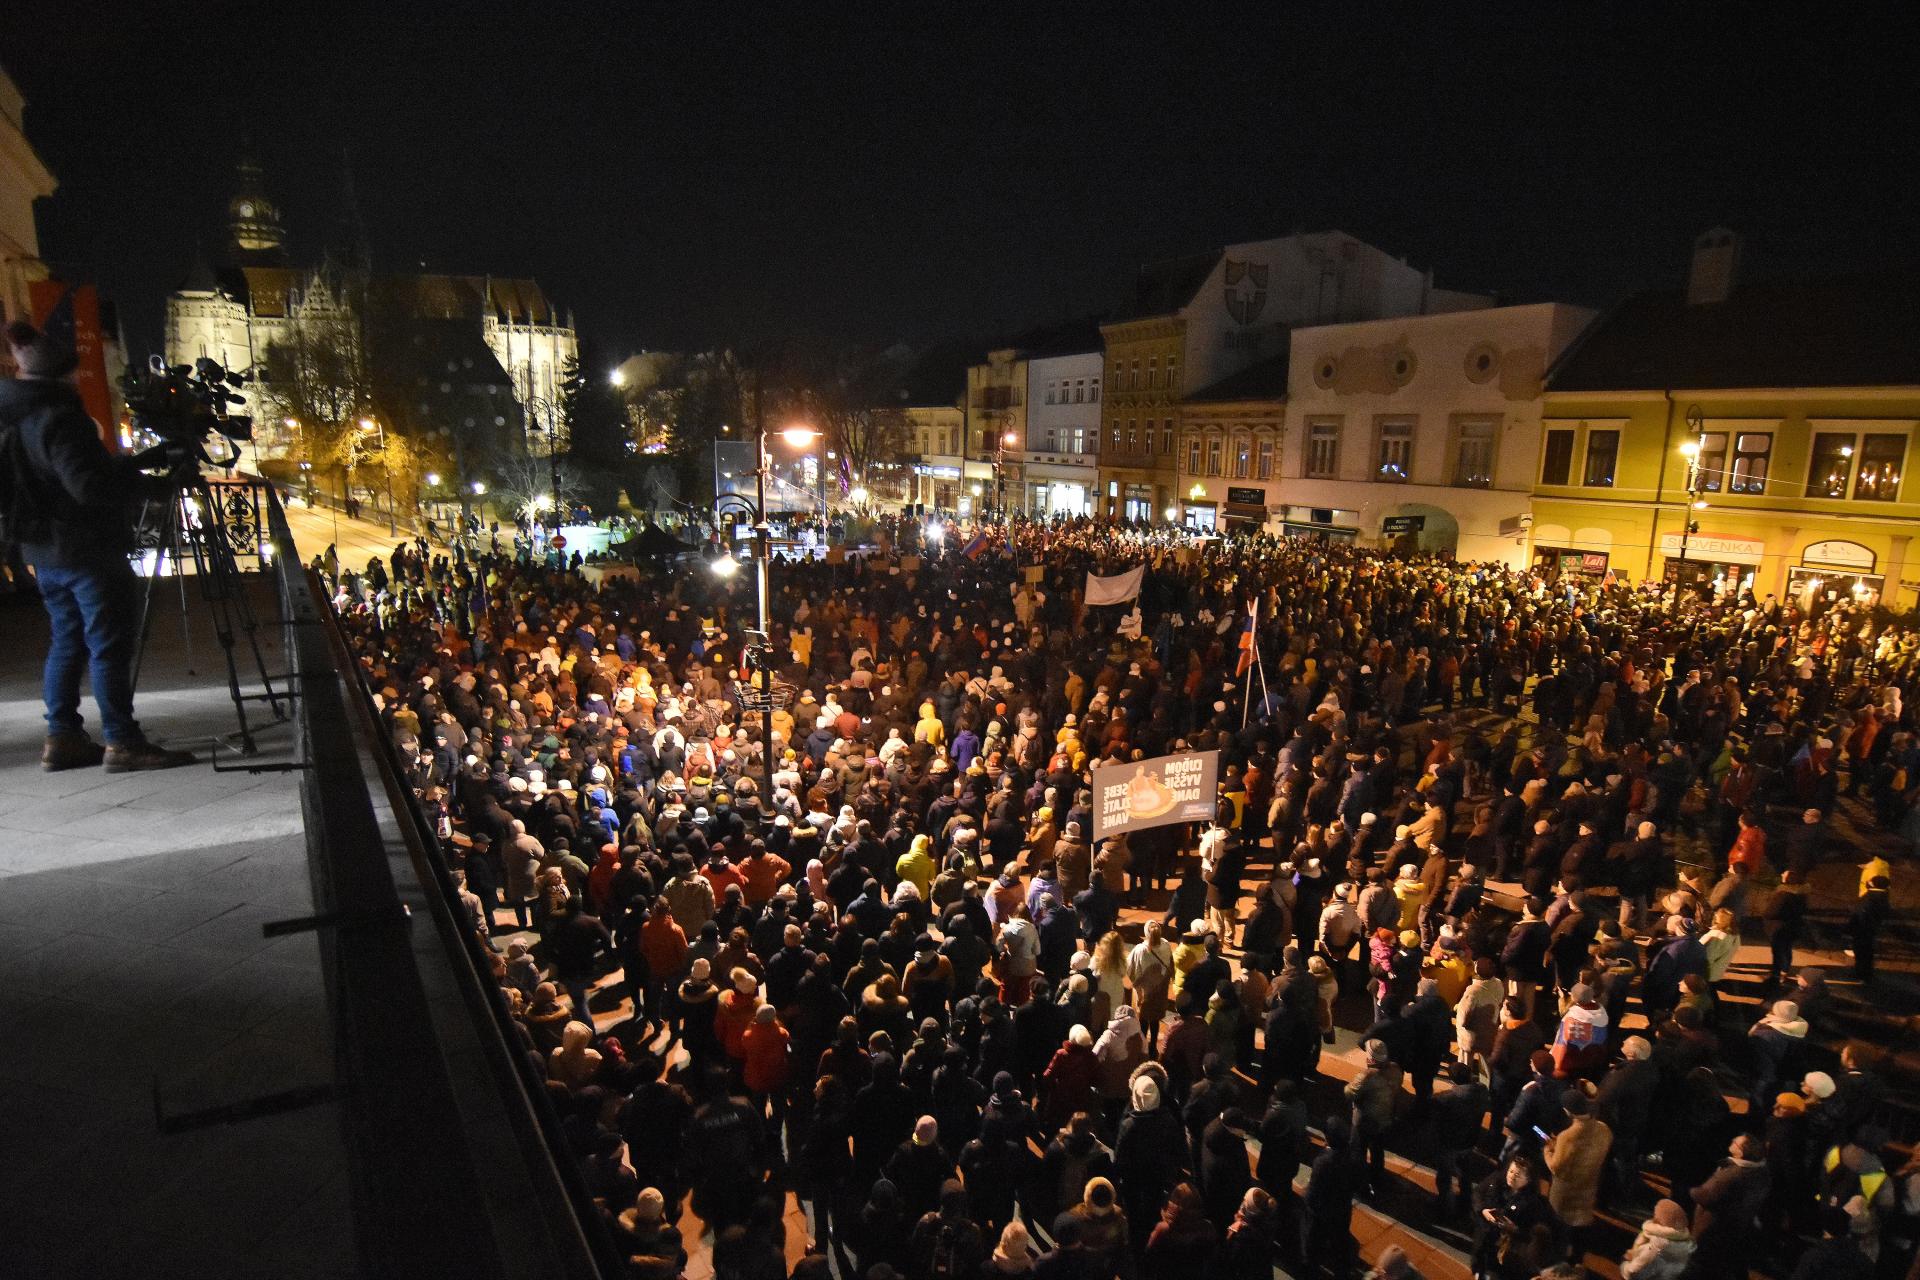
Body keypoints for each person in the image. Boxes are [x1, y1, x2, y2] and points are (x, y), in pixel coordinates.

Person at [2, 320, 195, 770]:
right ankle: (123, 742)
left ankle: (63, 737)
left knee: (66, 641)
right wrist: (151, 486)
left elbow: (57, 477)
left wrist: (131, 464)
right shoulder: (60, 417)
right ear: (61, 376)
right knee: (108, 643)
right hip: (86, 548)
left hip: (43, 549)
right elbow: (89, 487)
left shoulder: (14, 413)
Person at [1616, 1198, 1691, 1280]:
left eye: (1656, 1215)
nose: (1653, 1217)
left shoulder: (1657, 1242)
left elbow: (1637, 1267)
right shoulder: (1682, 1239)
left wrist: (1626, 1268)